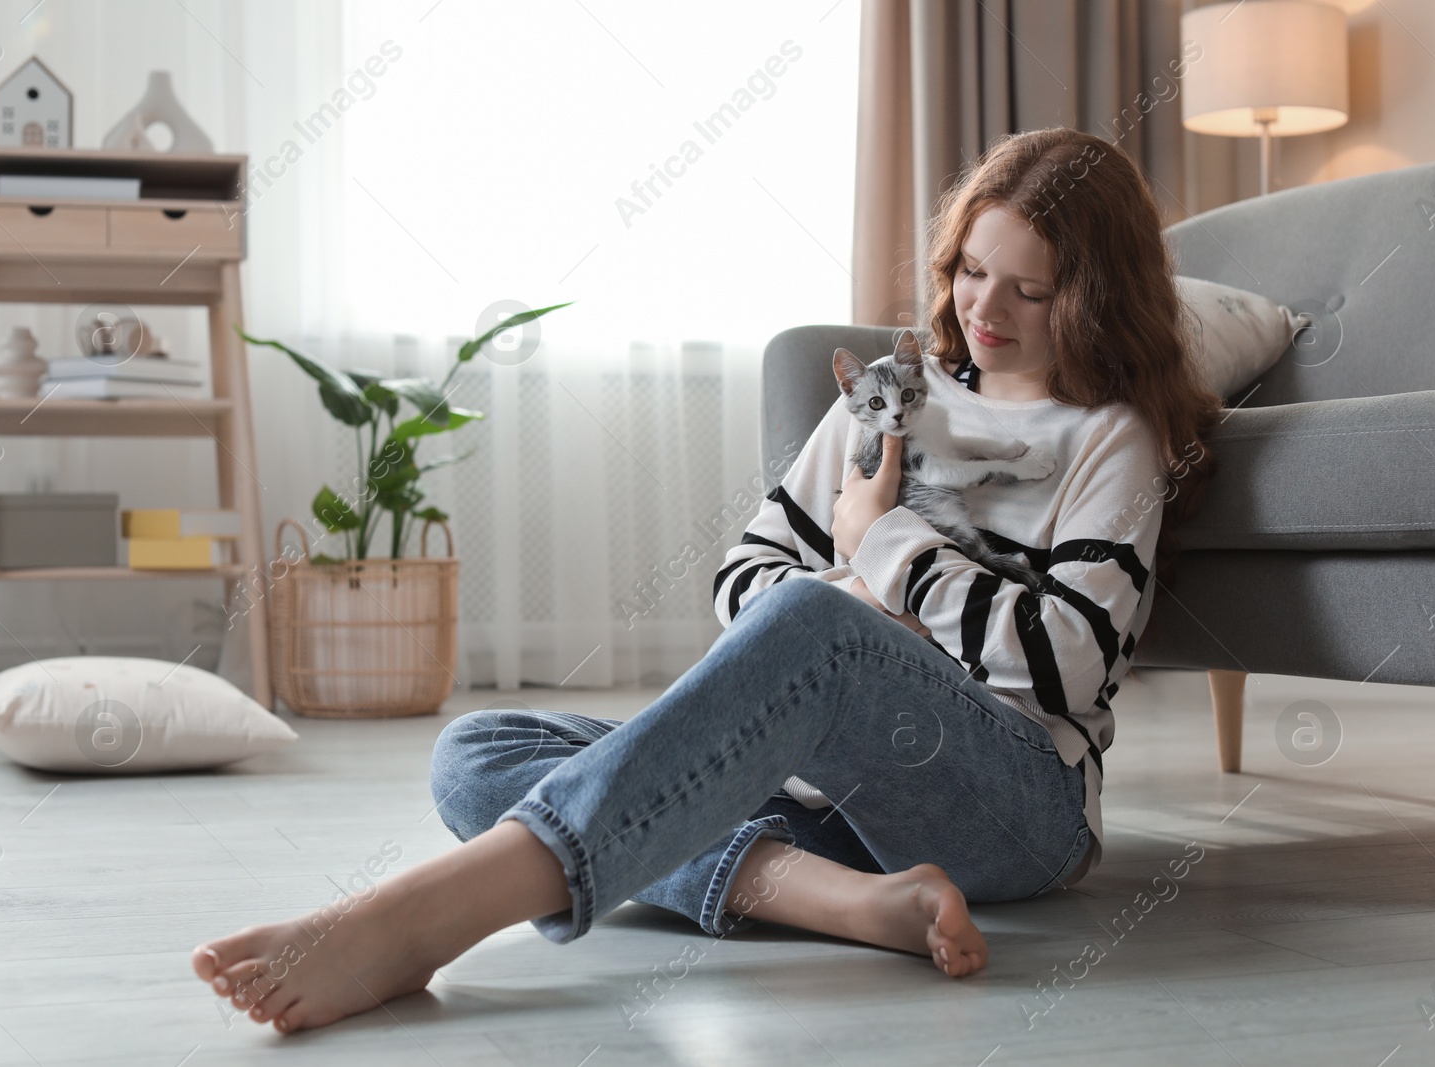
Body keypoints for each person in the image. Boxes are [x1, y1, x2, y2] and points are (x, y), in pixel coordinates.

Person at [191, 126, 1221, 1034]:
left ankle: (424, 916)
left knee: (817, 617)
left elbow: (1063, 669)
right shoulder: (887, 397)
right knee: (479, 751)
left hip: (1009, 810)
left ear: (1085, 300)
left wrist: (884, 548)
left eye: (1026, 289)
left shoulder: (1112, 441)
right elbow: (744, 574)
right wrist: (861, 599)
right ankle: (851, 903)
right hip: (828, 799)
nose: (981, 306)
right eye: (968, 270)